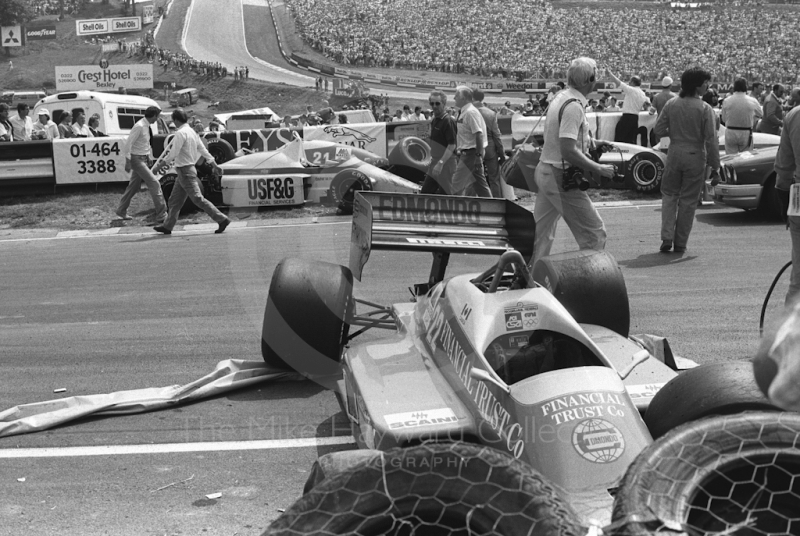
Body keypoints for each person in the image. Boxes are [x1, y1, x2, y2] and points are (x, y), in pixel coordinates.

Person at [531, 57, 616, 267]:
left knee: (541, 236)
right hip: (560, 176)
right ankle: (590, 279)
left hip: (546, 171)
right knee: (594, 233)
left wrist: (593, 142)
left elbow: (563, 137)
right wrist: (599, 168)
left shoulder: (562, 97)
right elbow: (567, 150)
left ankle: (528, 279)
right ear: (590, 79)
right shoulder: (574, 106)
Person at [654, 67, 720, 254]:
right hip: (695, 156)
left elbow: (658, 130)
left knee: (669, 195)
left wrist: (674, 134)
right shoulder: (705, 109)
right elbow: (711, 140)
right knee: (689, 201)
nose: (708, 86)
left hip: (674, 153)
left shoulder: (672, 104)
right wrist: (715, 166)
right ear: (697, 85)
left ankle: (666, 237)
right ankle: (680, 242)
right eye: (705, 83)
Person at [153, 108, 231, 235]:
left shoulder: (180, 133)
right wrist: (214, 164)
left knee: (198, 199)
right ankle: (167, 226)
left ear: (176, 120)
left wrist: (158, 167)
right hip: (187, 170)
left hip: (184, 171)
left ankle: (221, 219)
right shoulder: (192, 132)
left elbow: (173, 154)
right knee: (174, 200)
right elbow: (203, 149)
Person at [116, 106, 167, 222]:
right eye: (157, 116)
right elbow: (128, 143)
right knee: (154, 183)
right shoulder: (139, 126)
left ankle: (121, 210)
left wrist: (148, 155)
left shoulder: (146, 126)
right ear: (154, 115)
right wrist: (128, 160)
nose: (157, 119)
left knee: (133, 186)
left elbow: (144, 144)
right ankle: (162, 214)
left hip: (141, 158)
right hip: (137, 159)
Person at [774, 94, 800, 306]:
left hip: (798, 195)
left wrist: (785, 201)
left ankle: (791, 335)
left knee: (798, 279)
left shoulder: (794, 115)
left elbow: (783, 168)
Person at [451, 86, 492, 197]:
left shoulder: (470, 112)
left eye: (457, 96)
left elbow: (479, 134)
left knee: (455, 185)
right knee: (480, 185)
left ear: (464, 98)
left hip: (471, 153)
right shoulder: (464, 112)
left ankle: (454, 211)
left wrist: (478, 156)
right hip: (469, 152)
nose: (454, 98)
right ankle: (493, 208)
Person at [420, 90, 457, 195]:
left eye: (437, 103)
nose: (434, 106)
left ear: (444, 104)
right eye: (432, 103)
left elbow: (452, 144)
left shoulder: (448, 121)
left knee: (447, 196)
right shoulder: (435, 119)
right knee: (425, 193)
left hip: (445, 164)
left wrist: (441, 163)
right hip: (435, 163)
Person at [473, 89, 505, 197]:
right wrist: (501, 153)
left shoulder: (469, 112)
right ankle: (497, 202)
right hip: (490, 148)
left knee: (473, 178)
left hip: (474, 148)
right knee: (494, 179)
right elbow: (497, 136)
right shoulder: (491, 113)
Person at [720, 77, 762, 155]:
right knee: (746, 158)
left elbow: (724, 119)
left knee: (730, 159)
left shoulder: (727, 100)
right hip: (746, 132)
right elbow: (760, 114)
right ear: (746, 87)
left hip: (731, 131)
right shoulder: (752, 100)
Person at [608, 70, 651, 145]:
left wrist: (610, 74)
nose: (629, 83)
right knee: (631, 141)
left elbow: (618, 82)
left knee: (620, 140)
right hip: (635, 118)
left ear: (633, 82)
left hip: (627, 117)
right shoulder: (642, 93)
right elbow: (648, 103)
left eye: (630, 81)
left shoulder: (631, 90)